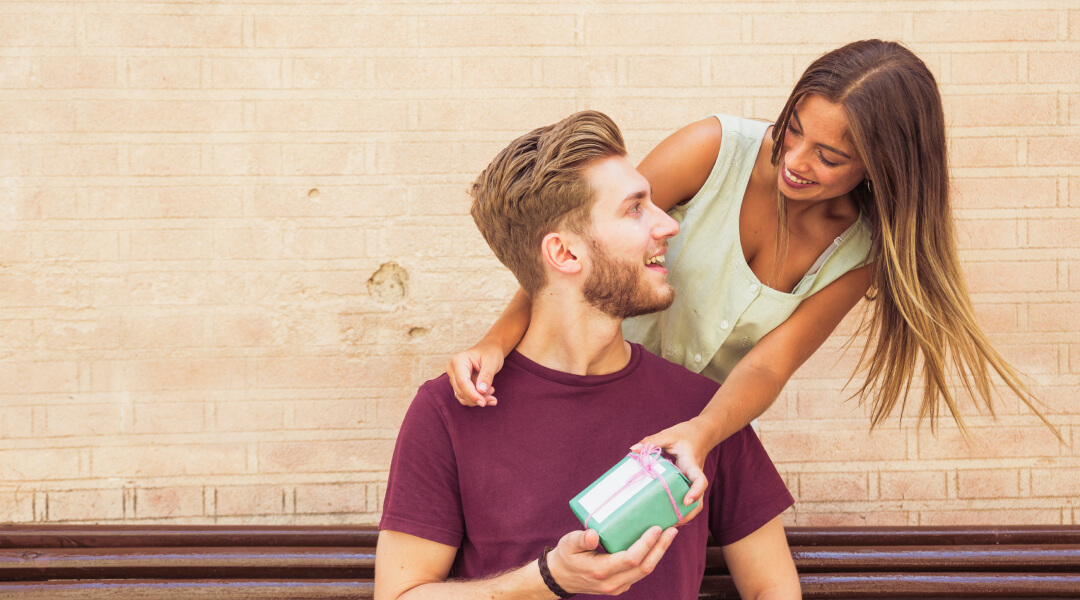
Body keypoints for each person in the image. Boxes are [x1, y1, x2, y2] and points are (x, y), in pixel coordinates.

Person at [446, 39, 1057, 508]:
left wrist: (701, 434)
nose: (794, 162)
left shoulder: (861, 250)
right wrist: (495, 343)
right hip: (585, 394)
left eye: (830, 156)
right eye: (791, 131)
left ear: (881, 165)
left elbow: (768, 364)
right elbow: (574, 248)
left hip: (681, 444)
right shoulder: (712, 149)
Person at [375, 111, 800, 599]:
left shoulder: (703, 417)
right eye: (635, 208)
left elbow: (773, 588)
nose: (668, 225)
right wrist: (547, 579)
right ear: (565, 254)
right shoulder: (450, 410)